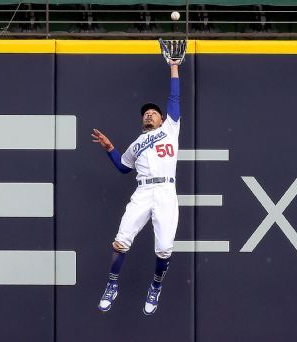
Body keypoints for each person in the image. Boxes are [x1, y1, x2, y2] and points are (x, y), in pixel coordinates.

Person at [91, 60, 181, 315]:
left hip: (165, 192)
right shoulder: (135, 145)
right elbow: (123, 167)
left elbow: (174, 97)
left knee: (164, 248)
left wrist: (174, 67)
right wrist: (110, 148)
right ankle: (112, 284)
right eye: (146, 113)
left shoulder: (171, 129)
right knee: (121, 241)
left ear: (162, 118)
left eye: (154, 112)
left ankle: (155, 286)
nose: (149, 114)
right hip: (143, 192)